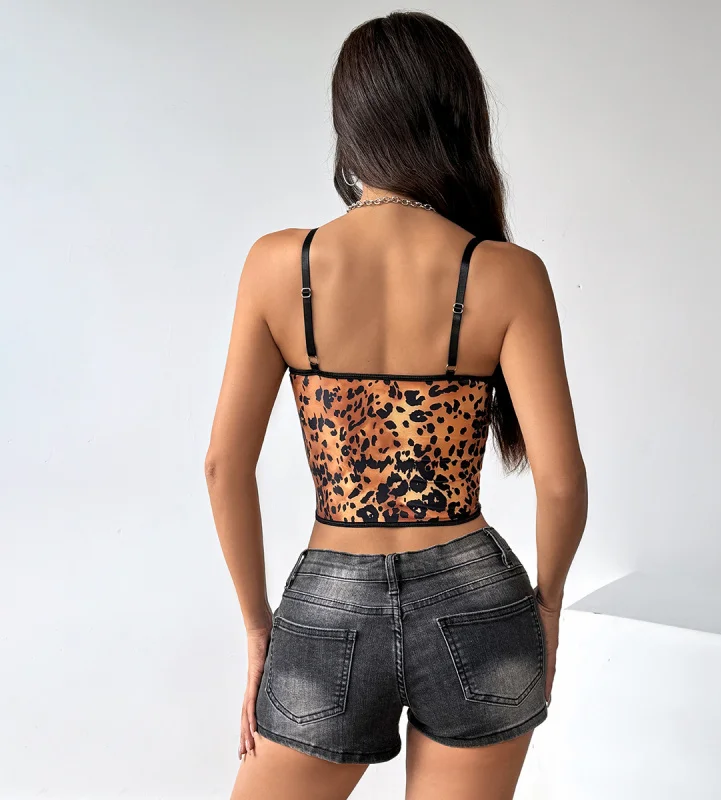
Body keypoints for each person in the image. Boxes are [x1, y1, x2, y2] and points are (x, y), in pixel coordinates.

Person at [205, 11, 587, 800]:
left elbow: (221, 467)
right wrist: (548, 606)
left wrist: (258, 629)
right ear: (459, 119)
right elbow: (559, 482)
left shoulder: (280, 265)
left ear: (349, 124)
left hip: (328, 607)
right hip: (479, 603)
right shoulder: (506, 272)